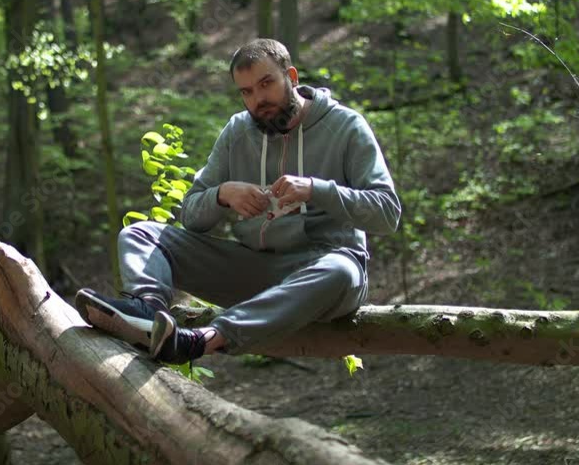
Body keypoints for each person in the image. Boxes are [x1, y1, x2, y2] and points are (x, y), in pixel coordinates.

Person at [74, 38, 401, 364]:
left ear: (292, 76)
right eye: (246, 92)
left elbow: (387, 213)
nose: (259, 100)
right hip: (253, 269)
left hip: (322, 275)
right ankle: (148, 315)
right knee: (139, 234)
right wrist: (222, 194)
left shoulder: (345, 127)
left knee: (341, 270)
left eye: (266, 84)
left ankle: (202, 341)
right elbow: (191, 215)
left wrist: (316, 190)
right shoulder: (237, 132)